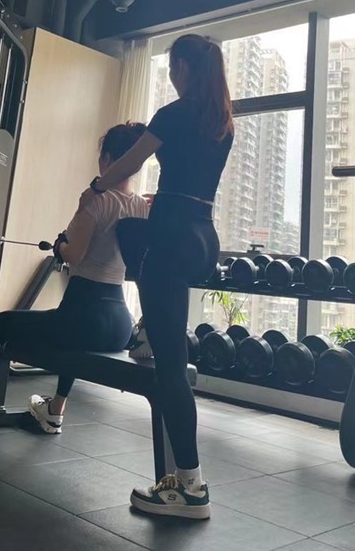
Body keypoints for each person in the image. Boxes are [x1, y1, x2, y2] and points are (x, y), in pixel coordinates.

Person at [79, 34, 234, 520]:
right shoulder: (221, 121)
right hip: (203, 236)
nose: (170, 75)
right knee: (132, 229)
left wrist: (97, 185)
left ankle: (190, 486)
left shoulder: (173, 113)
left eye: (172, 68)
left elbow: (130, 162)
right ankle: (151, 325)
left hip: (169, 236)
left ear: (184, 67)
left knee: (170, 368)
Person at [0, 122, 149, 441]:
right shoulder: (141, 206)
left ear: (106, 159)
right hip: (119, 325)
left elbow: (74, 255)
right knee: (72, 337)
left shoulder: (97, 200)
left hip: (84, 317)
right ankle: (54, 410)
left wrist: (60, 245)